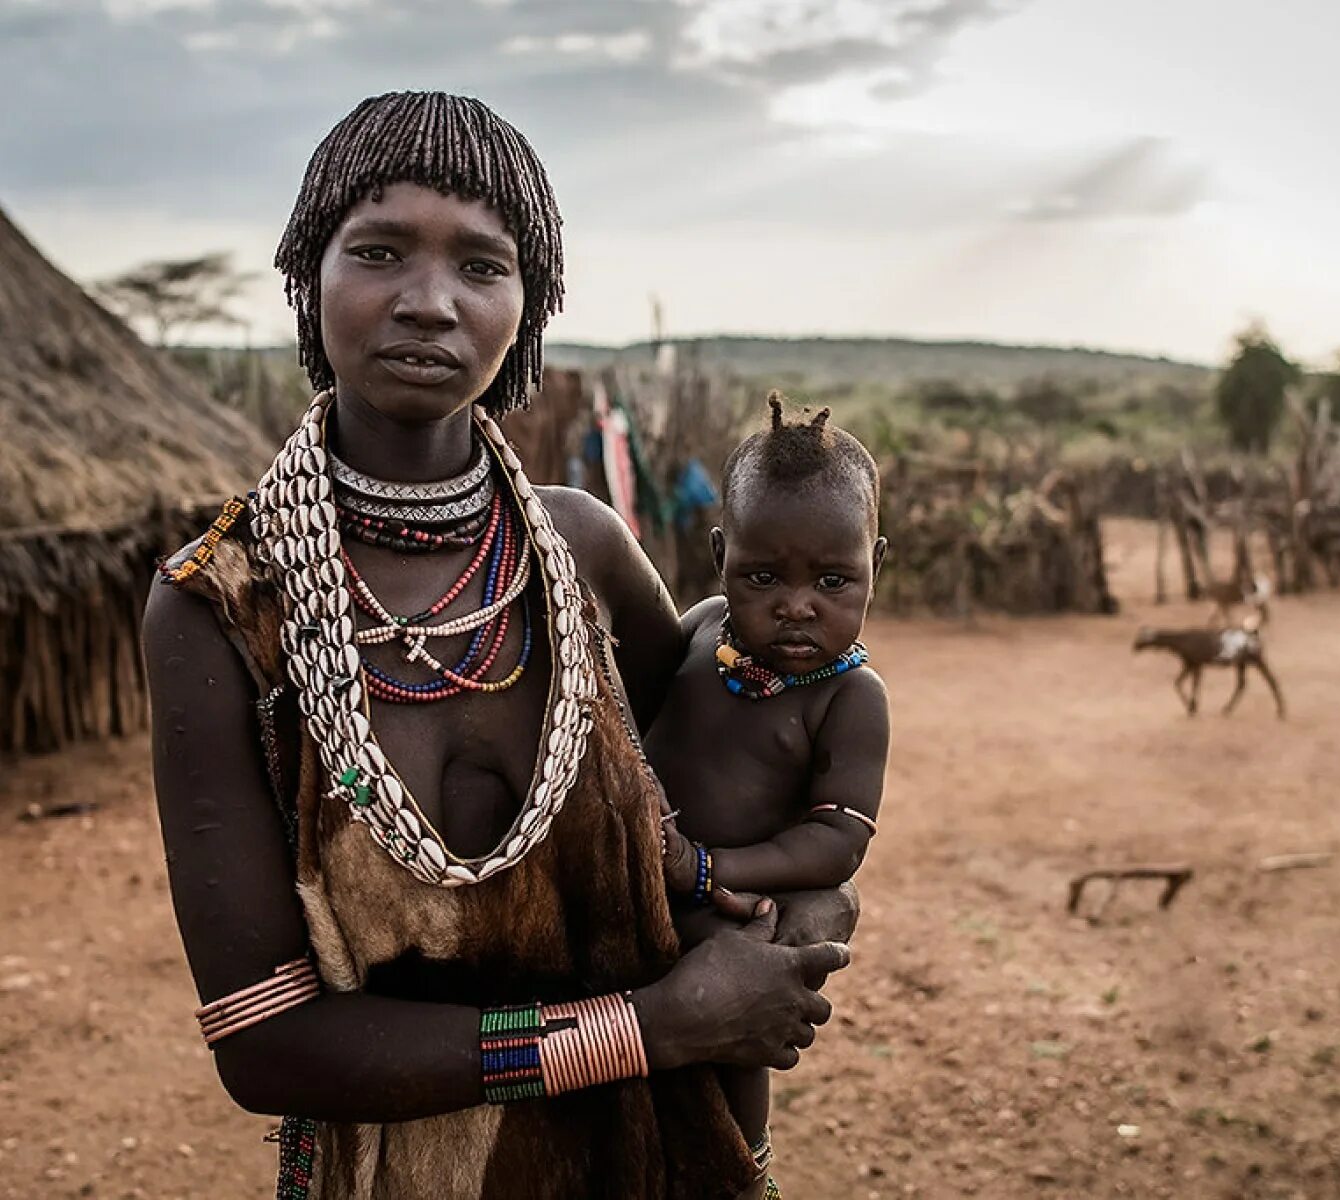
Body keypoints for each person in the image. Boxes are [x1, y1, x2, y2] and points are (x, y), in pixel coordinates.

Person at [142, 91, 852, 1200]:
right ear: (306, 275)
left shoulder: (583, 552)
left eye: (483, 265)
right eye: (378, 251)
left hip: (659, 1164)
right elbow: (266, 1045)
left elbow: (732, 773)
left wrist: (803, 893)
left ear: (530, 304)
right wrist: (650, 1029)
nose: (430, 303)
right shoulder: (223, 609)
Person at [647, 395, 891, 1178]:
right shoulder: (699, 628)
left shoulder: (849, 698)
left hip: (723, 910)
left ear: (875, 566)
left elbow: (838, 839)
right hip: (631, 883)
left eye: (832, 579)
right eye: (762, 576)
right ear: (720, 555)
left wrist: (708, 868)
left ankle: (743, 1172)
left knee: (734, 1016)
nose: (796, 605)